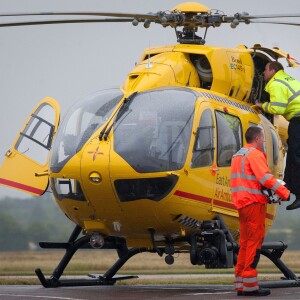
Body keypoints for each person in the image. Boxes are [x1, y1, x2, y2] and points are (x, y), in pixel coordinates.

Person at [230, 126, 290, 297]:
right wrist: (284, 192)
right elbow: (264, 178)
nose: (263, 141)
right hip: (254, 203)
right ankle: (250, 286)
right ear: (257, 138)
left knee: (245, 243)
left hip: (242, 203)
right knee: (254, 242)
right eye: (263, 138)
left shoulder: (237, 156)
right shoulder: (254, 154)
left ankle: (241, 284)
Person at [255, 61, 300, 210]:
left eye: (266, 70)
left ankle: (297, 194)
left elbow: (278, 108)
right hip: (296, 120)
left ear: (273, 71)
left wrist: (262, 105)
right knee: (294, 155)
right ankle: (288, 188)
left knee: (296, 157)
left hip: (298, 119)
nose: (264, 73)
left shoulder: (276, 83)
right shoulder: (287, 79)